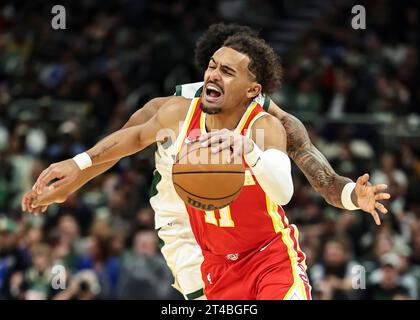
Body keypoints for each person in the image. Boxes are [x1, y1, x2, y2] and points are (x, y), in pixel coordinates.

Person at [22, 24, 390, 299]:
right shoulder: (176, 109)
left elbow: (312, 182)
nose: (214, 75)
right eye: (213, 66)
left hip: (261, 249)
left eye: (229, 71)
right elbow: (129, 138)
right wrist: (75, 171)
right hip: (183, 219)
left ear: (254, 89)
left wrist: (354, 198)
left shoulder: (270, 125)